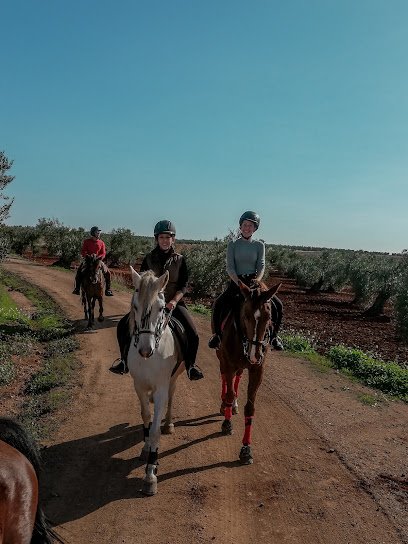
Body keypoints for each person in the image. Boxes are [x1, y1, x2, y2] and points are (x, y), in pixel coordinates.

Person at [110, 220, 204, 380]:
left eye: (168, 237)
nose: (165, 240)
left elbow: (183, 286)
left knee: (193, 334)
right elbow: (141, 283)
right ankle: (124, 362)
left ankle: (190, 366)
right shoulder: (148, 258)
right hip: (150, 304)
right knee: (122, 326)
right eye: (162, 237)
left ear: (173, 239)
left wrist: (174, 301)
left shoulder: (180, 260)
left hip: (174, 303)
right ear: (157, 239)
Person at [208, 211, 284, 350]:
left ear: (255, 228)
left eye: (250, 225)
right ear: (240, 226)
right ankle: (217, 336)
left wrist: (258, 279)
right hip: (236, 281)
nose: (247, 228)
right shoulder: (233, 244)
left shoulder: (259, 245)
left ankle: (274, 337)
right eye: (244, 225)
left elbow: (261, 265)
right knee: (219, 303)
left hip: (254, 282)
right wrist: (238, 282)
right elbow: (230, 267)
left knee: (278, 304)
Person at [72, 226, 114, 296]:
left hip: (98, 261)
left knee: (108, 273)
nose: (99, 234)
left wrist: (99, 257)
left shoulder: (101, 243)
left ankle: (108, 289)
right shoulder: (86, 241)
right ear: (93, 233)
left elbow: (103, 253)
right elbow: (83, 251)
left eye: (99, 233)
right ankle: (77, 288)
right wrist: (87, 255)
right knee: (79, 271)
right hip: (88, 260)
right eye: (97, 232)